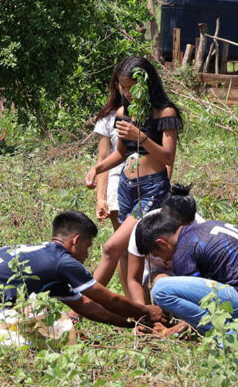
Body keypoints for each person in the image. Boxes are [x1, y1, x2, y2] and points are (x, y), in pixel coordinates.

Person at [0, 210, 167, 327]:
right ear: (75, 241)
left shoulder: (42, 255)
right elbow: (109, 300)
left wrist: (132, 323)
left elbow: (87, 307)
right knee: (45, 329)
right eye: (87, 247)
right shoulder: (63, 261)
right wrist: (146, 312)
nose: (88, 255)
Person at [83, 56, 182, 288]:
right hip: (126, 189)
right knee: (128, 251)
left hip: (152, 190)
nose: (126, 92)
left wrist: (142, 137)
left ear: (145, 84)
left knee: (111, 247)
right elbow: (120, 154)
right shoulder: (122, 113)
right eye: (122, 86)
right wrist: (97, 168)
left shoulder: (165, 113)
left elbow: (168, 156)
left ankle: (81, 306)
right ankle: (134, 312)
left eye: (131, 87)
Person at [135, 215, 238, 335]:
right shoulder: (203, 228)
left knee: (161, 289)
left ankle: (234, 336)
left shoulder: (183, 251)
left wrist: (170, 331)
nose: (164, 260)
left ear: (161, 242)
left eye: (157, 254)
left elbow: (201, 304)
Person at [127, 184, 205, 304]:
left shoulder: (199, 228)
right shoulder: (144, 230)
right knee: (162, 284)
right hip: (156, 275)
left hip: (191, 277)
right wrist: (143, 312)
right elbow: (133, 279)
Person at [91, 60, 127, 294]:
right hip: (117, 187)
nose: (127, 91)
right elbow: (103, 160)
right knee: (123, 249)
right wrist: (100, 198)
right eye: (123, 85)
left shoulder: (151, 114)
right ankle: (135, 304)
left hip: (147, 185)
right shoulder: (108, 117)